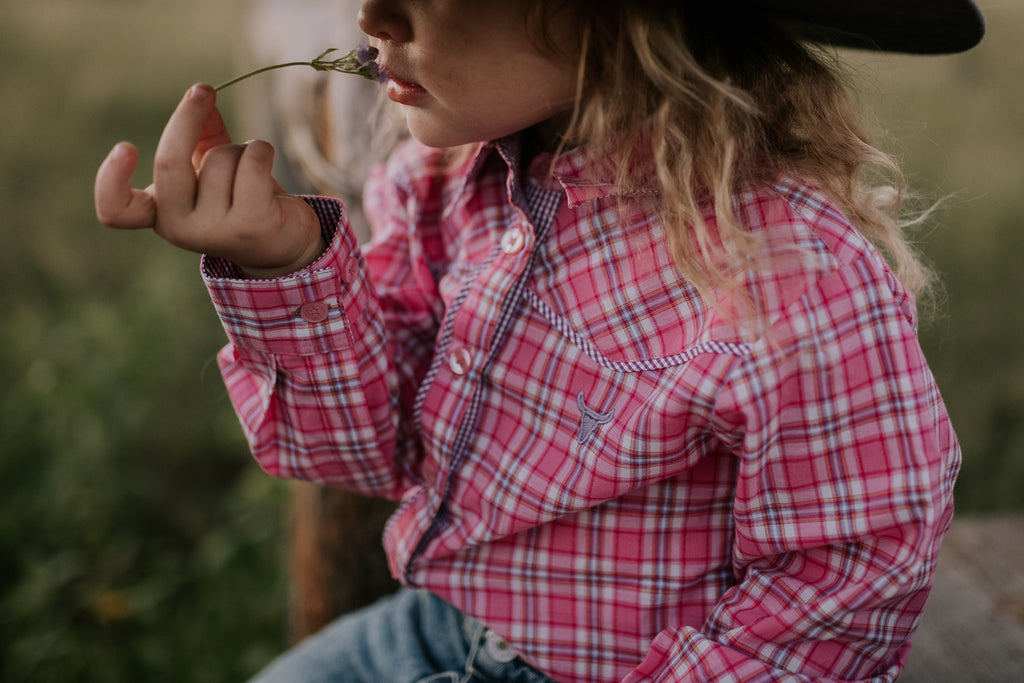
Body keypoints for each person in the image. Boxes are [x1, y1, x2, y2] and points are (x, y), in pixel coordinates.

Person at [94, 0, 985, 681]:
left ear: (618, 17)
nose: (369, 17)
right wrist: (285, 265)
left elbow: (850, 575)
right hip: (445, 624)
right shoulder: (441, 181)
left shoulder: (790, 267)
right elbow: (366, 449)